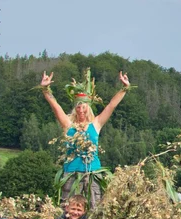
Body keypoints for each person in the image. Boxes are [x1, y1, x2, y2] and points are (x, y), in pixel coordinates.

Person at [40, 68, 132, 208]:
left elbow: (111, 106)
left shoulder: (95, 124)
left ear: (88, 108)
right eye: (78, 108)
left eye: (83, 107)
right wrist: (46, 89)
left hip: (92, 172)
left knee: (94, 207)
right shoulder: (68, 125)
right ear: (74, 109)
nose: (81, 111)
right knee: (69, 209)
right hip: (71, 172)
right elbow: (55, 107)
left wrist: (125, 88)